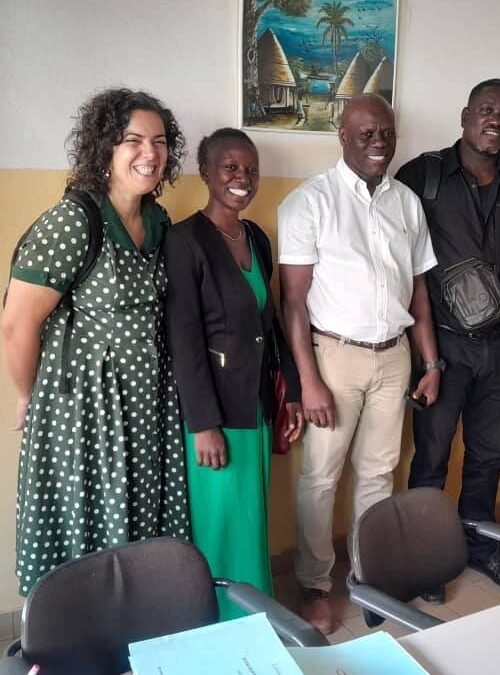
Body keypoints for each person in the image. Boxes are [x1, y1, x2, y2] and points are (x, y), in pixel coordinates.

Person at [2, 89, 190, 595]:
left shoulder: (157, 221)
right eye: (132, 140)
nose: (149, 153)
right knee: (82, 534)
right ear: (103, 148)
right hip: (84, 412)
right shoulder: (73, 222)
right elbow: (17, 325)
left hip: (147, 407)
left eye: (158, 141)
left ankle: (137, 639)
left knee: (141, 532)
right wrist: (28, 396)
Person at [279, 94, 441, 633]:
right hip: (333, 359)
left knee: (378, 473)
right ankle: (314, 584)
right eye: (366, 133)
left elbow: (418, 289)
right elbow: (293, 303)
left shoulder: (407, 203)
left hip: (393, 355)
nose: (378, 143)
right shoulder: (310, 202)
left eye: (386, 133)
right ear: (342, 137)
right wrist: (309, 381)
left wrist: (429, 361)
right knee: (321, 477)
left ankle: (369, 579)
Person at [396, 78, 500, 596]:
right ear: (465, 115)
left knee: (489, 455)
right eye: (486, 110)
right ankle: (423, 558)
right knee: (432, 457)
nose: (496, 120)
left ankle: (481, 548)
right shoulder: (422, 176)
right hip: (440, 346)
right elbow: (407, 269)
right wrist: (426, 357)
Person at [166, 128, 304, 620]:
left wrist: (290, 392)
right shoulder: (184, 241)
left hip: (256, 409)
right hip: (215, 417)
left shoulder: (256, 237)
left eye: (250, 169)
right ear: (205, 173)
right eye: (230, 167)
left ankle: (255, 615)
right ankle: (216, 620)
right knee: (221, 525)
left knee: (251, 523)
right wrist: (203, 423)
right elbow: (183, 340)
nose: (242, 178)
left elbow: (274, 321)